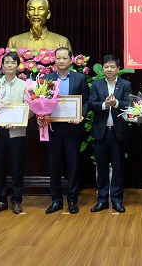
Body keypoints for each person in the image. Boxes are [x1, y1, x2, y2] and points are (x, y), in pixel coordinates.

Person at [43, 47, 89, 214]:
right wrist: (43, 114)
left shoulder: (80, 78)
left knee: (73, 165)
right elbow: (42, 101)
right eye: (58, 58)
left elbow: (86, 101)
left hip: (73, 128)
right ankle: (56, 200)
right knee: (54, 165)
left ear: (71, 60)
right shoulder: (47, 79)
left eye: (64, 58)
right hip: (53, 127)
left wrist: (81, 115)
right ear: (54, 60)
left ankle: (72, 200)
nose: (61, 61)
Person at [88, 55, 132, 213]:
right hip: (101, 133)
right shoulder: (97, 84)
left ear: (118, 69)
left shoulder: (125, 84)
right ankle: (102, 200)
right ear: (103, 68)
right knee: (101, 168)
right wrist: (105, 105)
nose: (109, 69)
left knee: (118, 168)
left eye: (112, 66)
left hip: (117, 133)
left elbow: (130, 104)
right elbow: (91, 104)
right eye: (106, 66)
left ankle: (117, 200)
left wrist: (116, 103)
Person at [0, 52, 28, 215]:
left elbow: (29, 107)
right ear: (2, 65)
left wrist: (18, 120)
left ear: (18, 65)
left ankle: (16, 201)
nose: (9, 65)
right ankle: (1, 200)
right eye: (6, 62)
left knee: (17, 167)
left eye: (13, 62)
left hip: (16, 131)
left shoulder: (24, 85)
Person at [7, 0, 72, 51]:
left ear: (48, 14)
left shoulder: (62, 42)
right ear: (27, 14)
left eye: (40, 9)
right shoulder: (14, 42)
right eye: (32, 9)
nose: (36, 13)